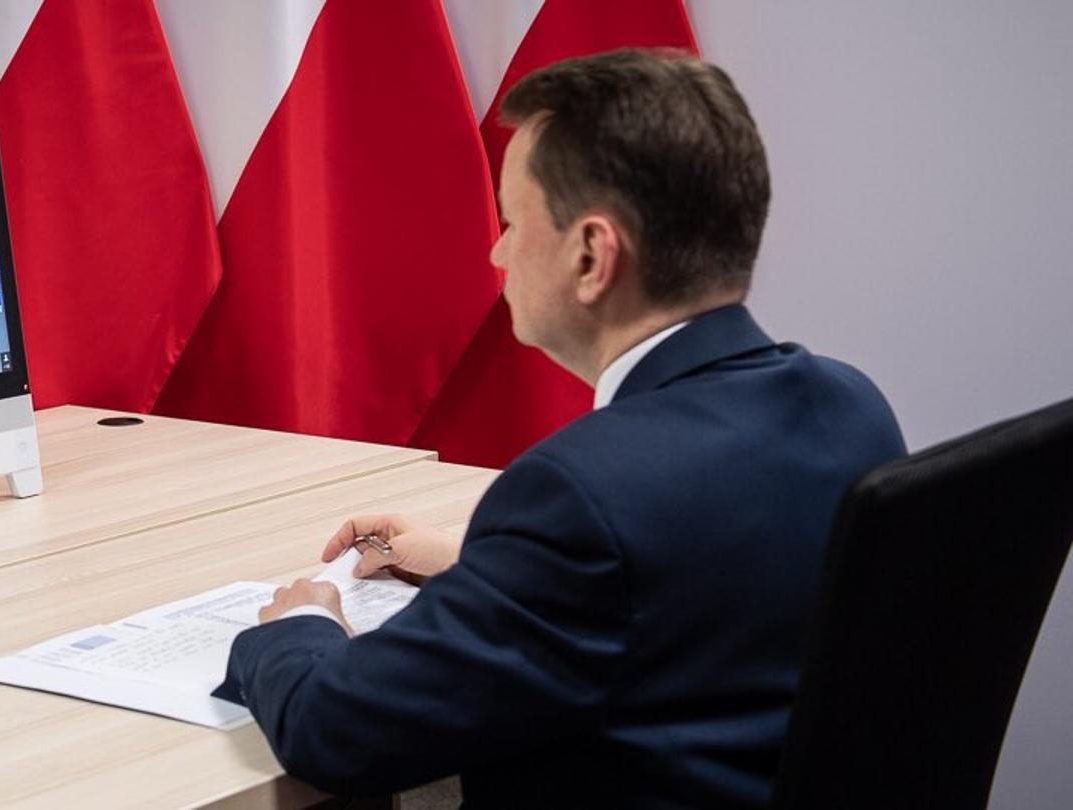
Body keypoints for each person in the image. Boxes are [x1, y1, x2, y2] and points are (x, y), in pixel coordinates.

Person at [215, 49, 905, 809]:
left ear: (591, 255)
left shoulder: (580, 494)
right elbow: (715, 584)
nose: (497, 251)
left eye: (512, 222)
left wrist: (302, 621)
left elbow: (339, 733)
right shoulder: (849, 405)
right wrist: (487, 567)